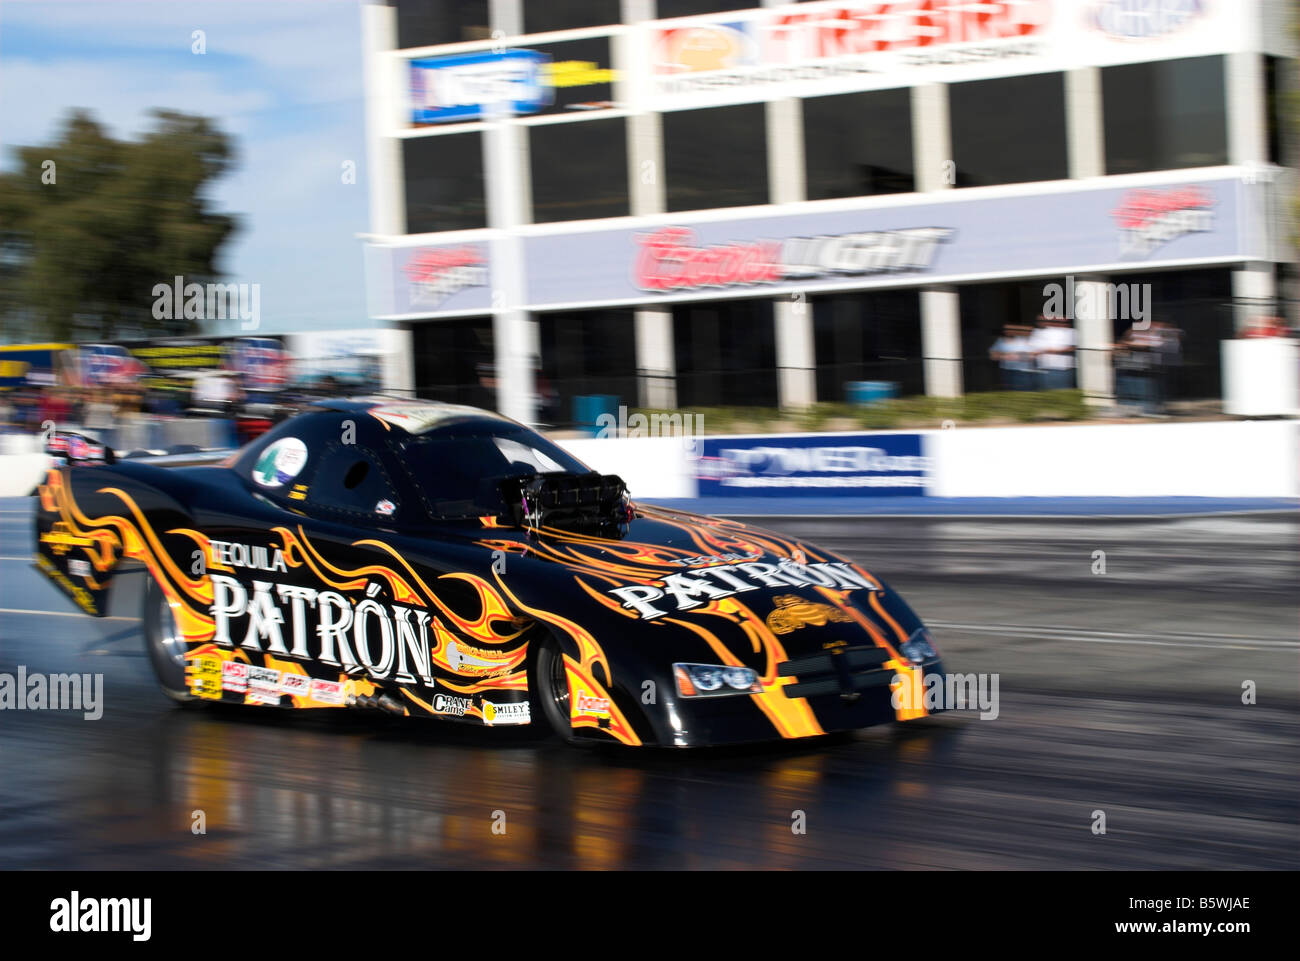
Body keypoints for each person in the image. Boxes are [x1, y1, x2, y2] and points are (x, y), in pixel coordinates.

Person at [1028, 314, 1076, 390]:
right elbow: (1032, 350)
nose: (1060, 323)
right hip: (1045, 369)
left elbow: (1073, 348)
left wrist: (1047, 350)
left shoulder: (1071, 332)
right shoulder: (1038, 332)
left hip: (1064, 370)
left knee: (1064, 393)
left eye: (1064, 321)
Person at [989, 323, 1034, 390]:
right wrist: (1004, 356)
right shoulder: (1000, 341)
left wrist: (1014, 356)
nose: (1009, 331)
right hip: (1006, 371)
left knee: (1023, 392)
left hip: (1022, 372)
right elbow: (992, 356)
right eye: (1006, 329)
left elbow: (1032, 356)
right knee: (1008, 392)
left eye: (1012, 329)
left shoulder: (1023, 340)